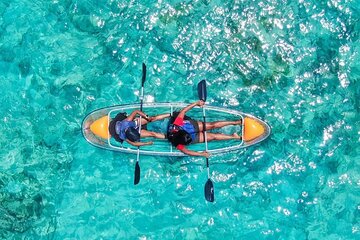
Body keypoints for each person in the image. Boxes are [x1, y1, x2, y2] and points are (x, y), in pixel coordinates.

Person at [167, 100, 242, 157]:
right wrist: (201, 154)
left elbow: (184, 111)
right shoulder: (176, 143)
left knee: (212, 125)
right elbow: (187, 152)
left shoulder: (177, 124)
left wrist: (196, 103)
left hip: (190, 126)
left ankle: (235, 122)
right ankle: (233, 136)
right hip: (193, 138)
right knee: (213, 137)